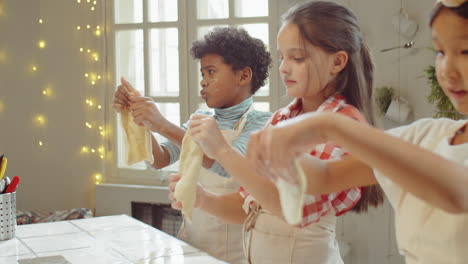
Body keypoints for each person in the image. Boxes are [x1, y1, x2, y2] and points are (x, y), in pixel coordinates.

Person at [246, 1, 468, 263]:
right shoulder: (426, 135)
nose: (448, 70)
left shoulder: (338, 120)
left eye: (465, 51)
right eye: (441, 51)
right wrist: (279, 154)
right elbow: (325, 176)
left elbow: (457, 192)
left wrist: (327, 126)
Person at [168, 2, 384, 263]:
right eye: (282, 57)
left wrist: (223, 151)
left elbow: (293, 208)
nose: (283, 67)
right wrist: (202, 199)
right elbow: (251, 204)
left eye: (297, 58)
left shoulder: (343, 125)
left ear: (337, 62)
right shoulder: (282, 119)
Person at [112, 26, 272, 264]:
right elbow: (160, 159)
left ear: (243, 76)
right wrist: (140, 120)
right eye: (202, 74)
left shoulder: (261, 124)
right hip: (194, 247)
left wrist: (163, 124)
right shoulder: (200, 120)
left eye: (211, 72)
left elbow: (226, 165)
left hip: (238, 253)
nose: (203, 82)